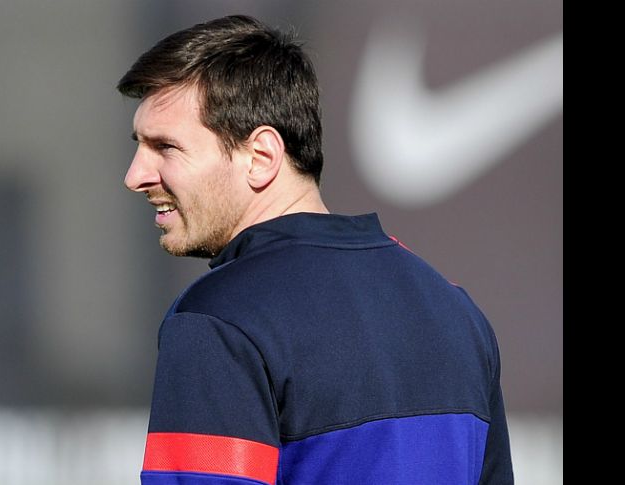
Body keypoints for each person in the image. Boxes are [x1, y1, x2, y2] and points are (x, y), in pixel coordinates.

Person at [118, 14, 513, 485]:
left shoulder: (217, 319)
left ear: (261, 157)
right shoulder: (455, 311)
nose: (135, 176)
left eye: (165, 147)